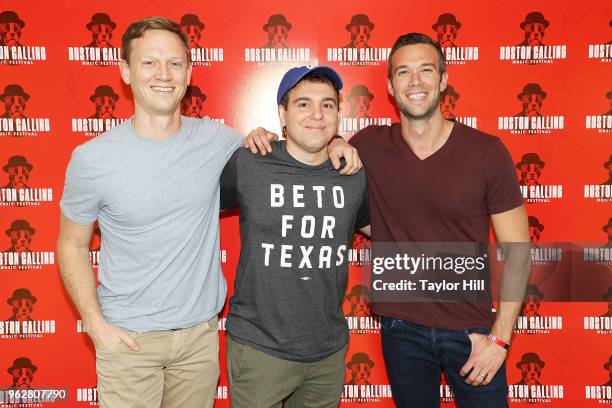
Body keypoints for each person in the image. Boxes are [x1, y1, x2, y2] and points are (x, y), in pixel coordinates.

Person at [57, 17, 360, 408]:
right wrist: (95, 326)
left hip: (198, 341)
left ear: (188, 72)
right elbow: (71, 245)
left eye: (175, 63)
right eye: (149, 63)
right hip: (128, 339)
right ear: (125, 72)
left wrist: (337, 141)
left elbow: (292, 152)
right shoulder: (92, 158)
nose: (164, 74)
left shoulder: (219, 141)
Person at [246, 33, 530, 408]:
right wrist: (323, 142)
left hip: (472, 333)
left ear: (443, 80)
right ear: (391, 87)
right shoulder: (368, 146)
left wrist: (500, 339)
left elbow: (519, 252)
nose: (415, 82)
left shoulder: (487, 152)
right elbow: (332, 185)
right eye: (403, 72)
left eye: (426, 70)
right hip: (400, 330)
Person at [220, 65, 370, 408]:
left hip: (327, 352)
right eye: (303, 104)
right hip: (260, 348)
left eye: (327, 105)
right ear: (282, 114)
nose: (317, 114)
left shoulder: (352, 173)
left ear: (338, 114)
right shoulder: (250, 162)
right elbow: (195, 210)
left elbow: (385, 228)